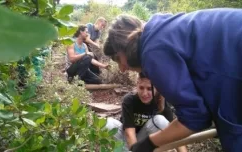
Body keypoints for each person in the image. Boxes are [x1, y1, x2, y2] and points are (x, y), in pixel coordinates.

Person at [103, 8, 242, 152]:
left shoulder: (153, 52)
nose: (121, 68)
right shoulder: (160, 29)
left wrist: (147, 144)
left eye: (118, 59)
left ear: (126, 46)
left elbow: (195, 118)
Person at [105, 73, 188, 152]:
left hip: (146, 142)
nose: (145, 94)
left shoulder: (162, 102)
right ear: (137, 85)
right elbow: (129, 133)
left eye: (149, 89)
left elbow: (174, 130)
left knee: (160, 120)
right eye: (141, 88)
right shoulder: (129, 100)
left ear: (156, 88)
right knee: (108, 123)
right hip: (127, 140)